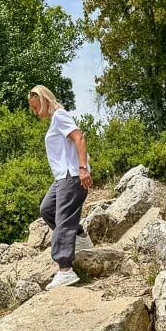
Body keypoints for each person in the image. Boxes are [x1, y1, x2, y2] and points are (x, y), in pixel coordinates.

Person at [29, 85, 94, 290]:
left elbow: (79, 137)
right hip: (61, 179)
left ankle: (65, 270)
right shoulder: (54, 122)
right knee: (47, 209)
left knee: (63, 219)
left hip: (72, 175)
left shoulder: (59, 115)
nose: (34, 111)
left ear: (43, 99)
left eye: (34, 106)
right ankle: (80, 236)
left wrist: (83, 168)